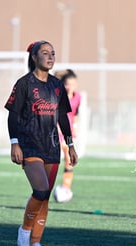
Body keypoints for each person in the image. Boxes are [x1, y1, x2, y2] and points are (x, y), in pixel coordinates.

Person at [4, 40, 78, 246]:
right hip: (29, 145)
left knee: (45, 197)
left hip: (52, 147)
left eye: (53, 53)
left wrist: (70, 144)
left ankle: (36, 243)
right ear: (34, 57)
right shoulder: (24, 84)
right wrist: (14, 143)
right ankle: (25, 231)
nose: (50, 56)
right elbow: (13, 115)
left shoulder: (57, 85)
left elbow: (63, 117)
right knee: (41, 190)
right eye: (45, 53)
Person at [54, 69, 82, 201]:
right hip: (57, 131)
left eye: (73, 84)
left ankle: (65, 188)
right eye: (67, 84)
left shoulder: (78, 97)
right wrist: (58, 128)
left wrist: (74, 128)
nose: (70, 87)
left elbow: (75, 113)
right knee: (57, 159)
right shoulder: (58, 96)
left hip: (68, 132)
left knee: (69, 160)